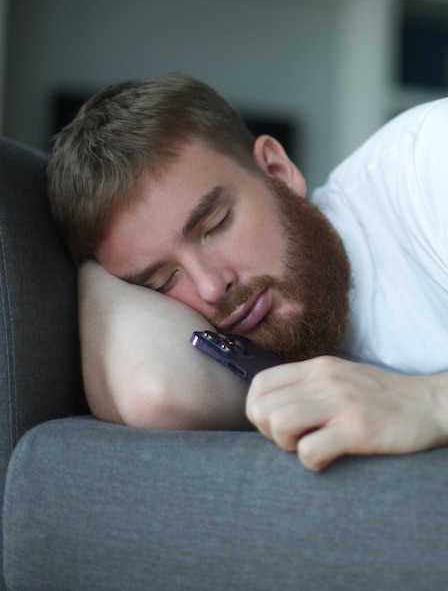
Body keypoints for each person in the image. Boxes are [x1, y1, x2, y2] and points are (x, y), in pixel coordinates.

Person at [46, 74, 448, 471]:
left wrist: (428, 400)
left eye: (216, 225)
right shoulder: (247, 357)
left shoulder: (425, 162)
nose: (210, 287)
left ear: (277, 171)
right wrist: (90, 267)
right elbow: (159, 394)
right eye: (161, 281)